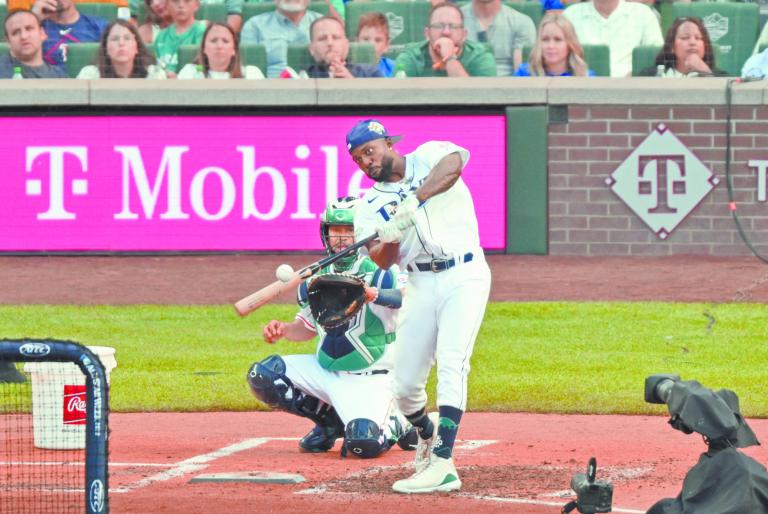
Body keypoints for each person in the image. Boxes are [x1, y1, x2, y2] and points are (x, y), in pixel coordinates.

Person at [347, 120, 492, 493]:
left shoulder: (427, 156)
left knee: (452, 360)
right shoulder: (367, 206)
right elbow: (380, 259)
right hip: (420, 281)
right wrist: (392, 236)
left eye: (369, 151)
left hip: (465, 273)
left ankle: (443, 463)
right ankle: (427, 436)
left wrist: (414, 200)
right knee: (406, 384)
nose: (365, 162)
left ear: (388, 143)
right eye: (358, 158)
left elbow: (455, 164)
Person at [247, 197, 417, 459]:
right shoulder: (316, 278)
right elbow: (307, 328)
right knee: (265, 374)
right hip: (326, 372)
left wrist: (373, 294)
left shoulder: (383, 272)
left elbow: (410, 298)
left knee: (363, 444)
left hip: (372, 375)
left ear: (361, 231)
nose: (341, 237)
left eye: (348, 230)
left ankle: (398, 421)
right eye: (335, 230)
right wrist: (283, 329)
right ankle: (330, 423)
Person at [394, 2, 497, 77]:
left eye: (453, 26)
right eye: (439, 26)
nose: (446, 32)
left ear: (464, 34)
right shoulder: (411, 57)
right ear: (427, 33)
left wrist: (449, 58)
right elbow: (398, 100)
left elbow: (480, 98)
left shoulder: (480, 56)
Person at [563, 0, 663, 77]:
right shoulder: (571, 15)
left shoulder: (644, 14)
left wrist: (633, 79)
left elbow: (658, 58)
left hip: (633, 91)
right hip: (581, 90)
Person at [240, 0, 323, 78]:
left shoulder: (323, 24)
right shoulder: (254, 26)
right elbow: (248, 69)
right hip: (270, 87)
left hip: (315, 85)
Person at [460, 0, 536, 76]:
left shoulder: (521, 22)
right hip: (463, 83)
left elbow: (521, 74)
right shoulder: (454, 21)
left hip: (509, 84)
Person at [637, 17, 727, 77]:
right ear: (672, 46)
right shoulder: (650, 75)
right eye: (685, 37)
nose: (692, 42)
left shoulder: (721, 78)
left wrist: (706, 73)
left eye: (698, 38)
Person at [30, 0, 108, 69]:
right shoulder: (36, 27)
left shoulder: (99, 26)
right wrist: (34, 17)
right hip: (46, 83)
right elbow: (20, 61)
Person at [77, 20, 167, 78]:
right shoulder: (90, 75)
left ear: (137, 47)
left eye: (127, 38)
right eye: (115, 39)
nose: (121, 43)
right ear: (106, 48)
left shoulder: (154, 75)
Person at [513, 13, 595, 77]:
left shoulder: (585, 76)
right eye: (545, 39)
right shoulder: (524, 73)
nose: (550, 46)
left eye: (558, 39)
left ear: (570, 44)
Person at [177, 22, 265, 79]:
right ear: (204, 48)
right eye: (213, 40)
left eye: (225, 41)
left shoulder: (250, 73)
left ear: (234, 50)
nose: (219, 46)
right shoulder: (191, 71)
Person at [306, 16, 382, 78]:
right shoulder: (303, 78)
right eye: (322, 39)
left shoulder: (371, 73)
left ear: (346, 45)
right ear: (312, 49)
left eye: (336, 37)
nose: (330, 43)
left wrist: (352, 83)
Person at [0, 10, 66, 78]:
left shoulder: (58, 75)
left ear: (42, 34)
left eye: (29, 29)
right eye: (16, 32)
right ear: (8, 41)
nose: (23, 36)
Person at [154, 0, 208, 76]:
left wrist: (189, 72)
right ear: (167, 5)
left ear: (197, 5)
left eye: (187, 1)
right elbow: (154, 66)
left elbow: (205, 68)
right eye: (175, 1)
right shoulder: (161, 36)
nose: (181, 5)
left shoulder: (204, 34)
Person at [356, 12, 395, 78]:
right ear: (357, 42)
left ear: (387, 45)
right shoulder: (349, 69)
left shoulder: (393, 68)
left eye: (378, 40)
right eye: (366, 39)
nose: (371, 44)